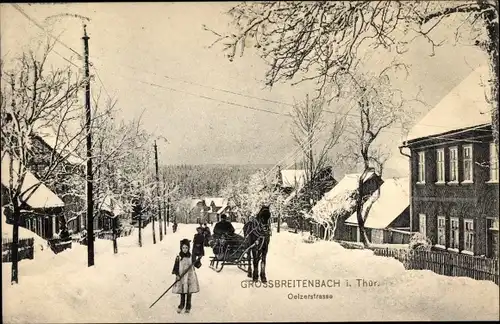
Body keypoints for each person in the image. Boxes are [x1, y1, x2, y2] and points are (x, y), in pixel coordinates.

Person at [172, 239, 201, 314]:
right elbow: (176, 267)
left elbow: (197, 265)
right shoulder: (178, 257)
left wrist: (198, 259)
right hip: (181, 276)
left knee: (189, 292)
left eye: (186, 248)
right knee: (182, 292)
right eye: (183, 248)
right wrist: (177, 275)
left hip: (190, 276)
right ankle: (181, 305)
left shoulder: (191, 256)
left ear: (188, 248)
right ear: (181, 248)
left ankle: (188, 306)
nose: (185, 249)